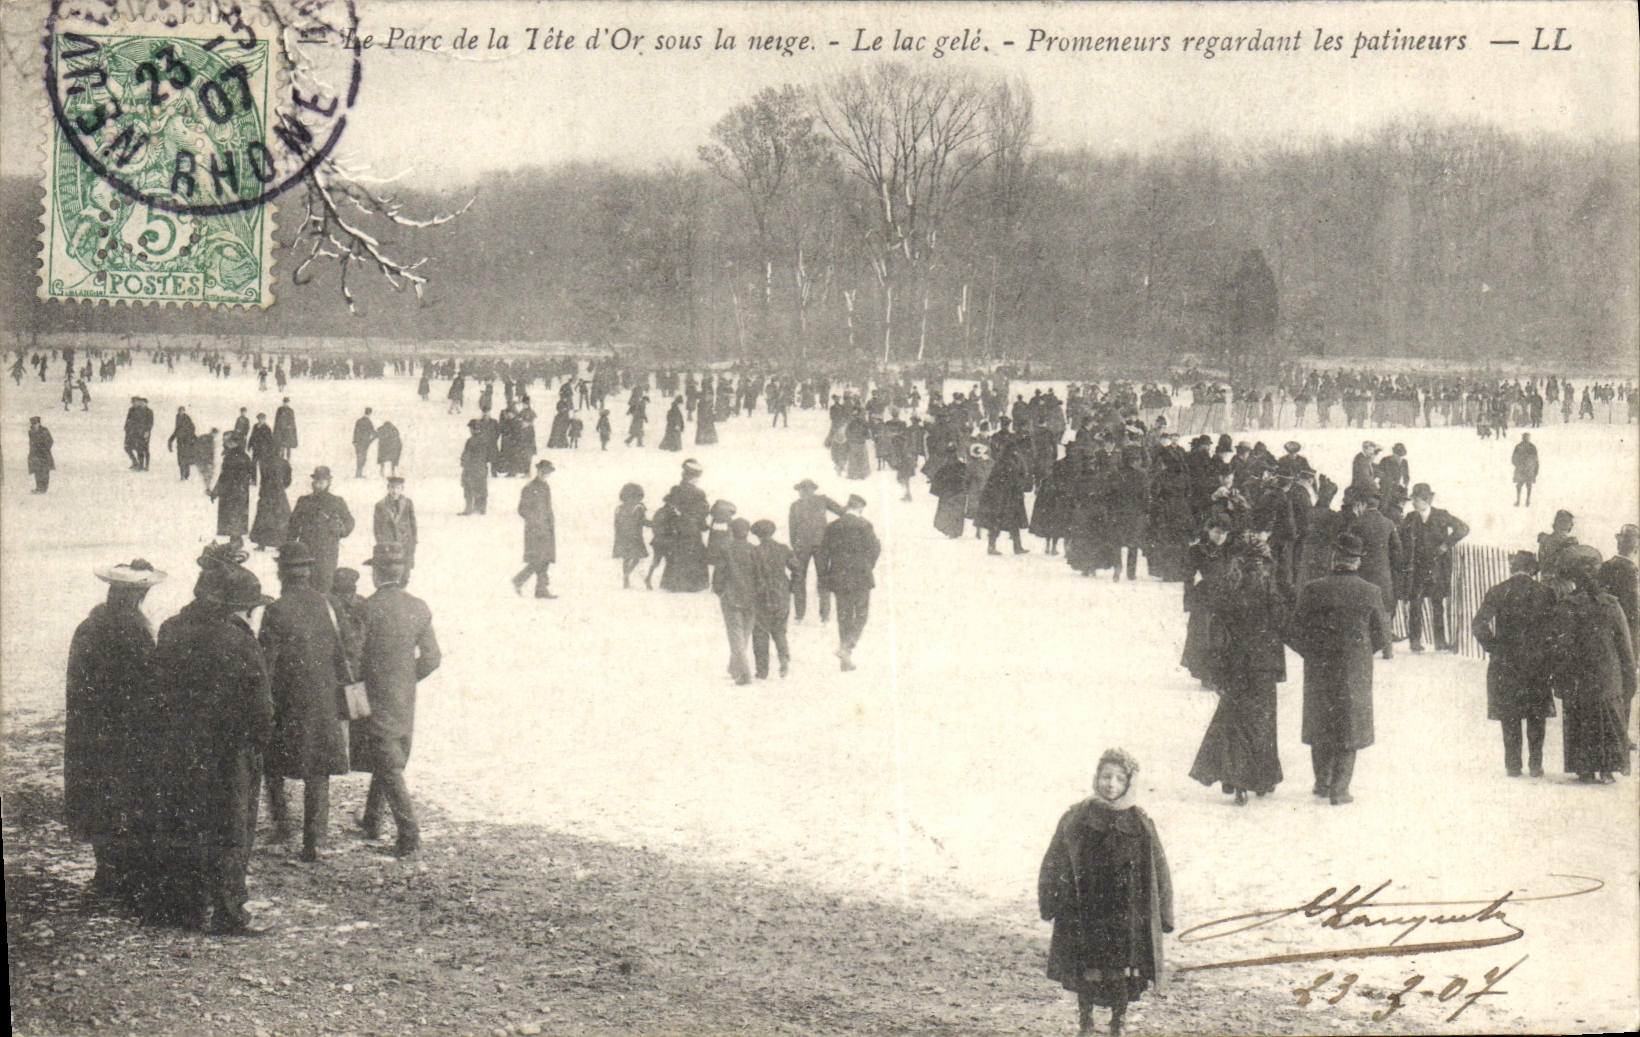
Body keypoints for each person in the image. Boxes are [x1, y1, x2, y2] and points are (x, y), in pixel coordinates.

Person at [145, 564, 274, 933]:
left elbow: (156, 690)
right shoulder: (239, 639)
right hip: (231, 752)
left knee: (184, 821)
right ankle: (229, 912)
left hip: (178, 747)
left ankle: (184, 907)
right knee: (232, 830)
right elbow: (261, 705)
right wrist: (257, 742)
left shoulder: (171, 629)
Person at [1038, 749, 1173, 1037]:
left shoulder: (1139, 822)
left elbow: (1158, 869)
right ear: (1096, 778)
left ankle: (1118, 1021)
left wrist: (1164, 915)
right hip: (1085, 909)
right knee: (1087, 967)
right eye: (1105, 776)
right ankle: (1085, 1021)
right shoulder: (1077, 817)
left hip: (1125, 913)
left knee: (1121, 973)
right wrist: (1050, 900)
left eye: (1119, 779)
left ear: (1129, 784)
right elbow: (1054, 859)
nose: (1110, 784)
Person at [66, 559, 165, 897]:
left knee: (99, 798)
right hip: (128, 732)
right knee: (129, 797)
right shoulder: (135, 632)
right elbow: (148, 684)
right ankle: (127, 874)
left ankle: (106, 871)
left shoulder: (88, 627)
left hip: (91, 731)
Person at [259, 543, 351, 862]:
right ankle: (314, 840)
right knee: (318, 768)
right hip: (322, 697)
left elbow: (267, 664)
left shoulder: (276, 610)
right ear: (308, 573)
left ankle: (282, 822)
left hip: (288, 700)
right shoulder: (326, 604)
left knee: (272, 762)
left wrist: (266, 701)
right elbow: (341, 653)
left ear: (282, 573)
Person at [351, 543, 441, 856]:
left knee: (387, 761)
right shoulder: (418, 607)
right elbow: (432, 658)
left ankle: (409, 834)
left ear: (375, 573)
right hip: (404, 696)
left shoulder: (365, 608)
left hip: (374, 694)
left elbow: (355, 654)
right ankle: (373, 818)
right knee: (388, 753)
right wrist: (405, 676)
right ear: (402, 573)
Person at [1288, 532, 1390, 805]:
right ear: (1357, 561)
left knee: (1321, 720)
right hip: (1354, 668)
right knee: (1349, 725)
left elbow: (1294, 630)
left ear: (1335, 557)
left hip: (1319, 666)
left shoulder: (1313, 589)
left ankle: (1322, 782)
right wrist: (1360, 653)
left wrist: (1312, 652)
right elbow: (1382, 636)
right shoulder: (1371, 591)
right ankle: (1340, 789)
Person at [1188, 539, 1291, 803]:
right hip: (1263, 666)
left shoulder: (1228, 586)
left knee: (1234, 718)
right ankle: (1261, 778)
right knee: (1262, 723)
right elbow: (1282, 623)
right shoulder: (1269, 588)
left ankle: (1234, 778)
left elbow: (1216, 626)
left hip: (1234, 663)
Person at [1546, 546, 1634, 783]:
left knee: (1581, 718)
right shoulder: (1611, 605)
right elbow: (1625, 647)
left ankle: (1585, 767)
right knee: (1607, 719)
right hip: (1608, 676)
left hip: (1580, 677)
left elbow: (1561, 648)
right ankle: (1607, 768)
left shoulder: (1567, 606)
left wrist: (1560, 677)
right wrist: (1630, 678)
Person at [1472, 551, 1557, 777]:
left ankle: (1513, 765)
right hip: (1537, 663)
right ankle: (1536, 764)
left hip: (1506, 662)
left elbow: (1478, 625)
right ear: (1533, 569)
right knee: (1536, 713)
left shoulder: (1499, 591)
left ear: (1513, 567)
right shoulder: (1546, 593)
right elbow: (1555, 630)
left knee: (1510, 713)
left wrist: (1494, 648)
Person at [1399, 483, 1469, 653]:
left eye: (1416, 500)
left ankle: (1440, 642)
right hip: (1417, 569)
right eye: (1413, 500)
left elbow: (1463, 528)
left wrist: (1447, 544)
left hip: (1438, 568)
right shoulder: (1410, 518)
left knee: (1438, 604)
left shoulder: (1441, 515)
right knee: (1415, 603)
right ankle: (1415, 642)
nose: (1413, 503)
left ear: (1425, 500)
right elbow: (1400, 537)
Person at [818, 493, 881, 672]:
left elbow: (823, 552)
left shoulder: (832, 526)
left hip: (838, 576)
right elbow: (875, 548)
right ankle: (847, 647)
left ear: (847, 506)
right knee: (861, 614)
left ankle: (845, 659)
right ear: (860, 508)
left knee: (843, 616)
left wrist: (824, 575)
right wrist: (869, 565)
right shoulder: (865, 525)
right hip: (861, 576)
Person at [286, 466, 356, 595]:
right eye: (316, 482)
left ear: (328, 483)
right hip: (306, 550)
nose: (318, 485)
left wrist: (341, 530)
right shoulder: (304, 501)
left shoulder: (337, 502)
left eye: (321, 482)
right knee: (305, 584)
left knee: (325, 585)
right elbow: (293, 525)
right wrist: (290, 546)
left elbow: (350, 521)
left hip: (327, 552)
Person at [1180, 518, 1232, 689]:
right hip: (1205, 596)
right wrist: (1189, 600)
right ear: (1209, 531)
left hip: (1226, 596)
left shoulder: (1230, 551)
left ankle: (1220, 673)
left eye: (1224, 533)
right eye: (1217, 532)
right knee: (1203, 635)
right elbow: (1188, 576)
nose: (1220, 536)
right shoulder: (1198, 550)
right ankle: (1206, 674)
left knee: (1222, 636)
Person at [711, 516, 758, 684]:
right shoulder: (754, 550)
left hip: (731, 596)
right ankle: (734, 666)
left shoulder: (726, 549)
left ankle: (744, 673)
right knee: (745, 633)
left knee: (736, 635)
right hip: (751, 597)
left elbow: (719, 575)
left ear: (731, 531)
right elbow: (760, 575)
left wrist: (719, 591)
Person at [788, 479, 844, 621]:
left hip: (809, 547)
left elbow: (792, 531)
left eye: (805, 490)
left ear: (811, 490)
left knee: (804, 579)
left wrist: (796, 546)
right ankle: (821, 615)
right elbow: (843, 512)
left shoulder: (798, 505)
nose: (803, 493)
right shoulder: (816, 501)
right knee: (818, 579)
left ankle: (803, 615)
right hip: (817, 546)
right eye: (802, 490)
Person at [749, 519, 796, 679]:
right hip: (782, 592)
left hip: (762, 594)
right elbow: (796, 567)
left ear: (757, 535)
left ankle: (762, 671)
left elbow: (752, 574)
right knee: (780, 629)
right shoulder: (783, 549)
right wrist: (792, 585)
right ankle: (783, 658)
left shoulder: (754, 551)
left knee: (760, 630)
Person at [660, 459, 711, 592]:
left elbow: (668, 508)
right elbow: (702, 511)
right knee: (694, 554)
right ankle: (693, 585)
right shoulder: (698, 493)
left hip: (677, 528)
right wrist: (702, 524)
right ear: (694, 477)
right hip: (692, 529)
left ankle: (674, 584)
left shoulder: (675, 490)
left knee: (677, 554)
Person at [513, 459, 557, 598]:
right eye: (543, 472)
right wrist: (534, 520)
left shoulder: (546, 487)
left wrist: (550, 523)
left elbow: (548, 507)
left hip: (546, 528)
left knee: (545, 560)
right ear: (538, 471)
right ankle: (519, 580)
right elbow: (522, 509)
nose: (545, 475)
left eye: (548, 473)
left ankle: (540, 589)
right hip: (534, 530)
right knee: (538, 560)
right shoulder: (529, 488)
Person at [210, 433, 255, 538]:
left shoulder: (231, 458)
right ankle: (236, 541)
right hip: (241, 493)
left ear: (233, 443)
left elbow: (224, 478)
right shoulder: (244, 456)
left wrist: (215, 492)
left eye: (226, 440)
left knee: (232, 523)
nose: (223, 443)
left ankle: (234, 544)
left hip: (231, 494)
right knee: (237, 523)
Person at [373, 476, 418, 577]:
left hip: (404, 543)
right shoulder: (380, 505)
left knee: (405, 573)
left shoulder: (408, 503)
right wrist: (381, 543)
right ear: (388, 488)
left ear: (402, 489)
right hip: (388, 545)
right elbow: (377, 528)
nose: (395, 491)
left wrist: (413, 541)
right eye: (392, 487)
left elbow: (413, 523)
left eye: (398, 488)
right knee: (390, 572)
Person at [249, 451, 292, 550]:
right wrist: (281, 486)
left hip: (266, 493)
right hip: (279, 494)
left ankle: (261, 544)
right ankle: (280, 543)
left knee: (264, 517)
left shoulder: (264, 462)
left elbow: (263, 479)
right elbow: (288, 481)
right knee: (281, 518)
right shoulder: (285, 463)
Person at [613, 482, 649, 589]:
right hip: (635, 537)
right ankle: (627, 576)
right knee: (636, 558)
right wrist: (655, 524)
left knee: (626, 558)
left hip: (622, 537)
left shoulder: (619, 508)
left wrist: (618, 536)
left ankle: (626, 580)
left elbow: (616, 524)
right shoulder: (639, 507)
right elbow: (643, 521)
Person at [459, 419, 491, 515]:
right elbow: (489, 456)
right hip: (482, 467)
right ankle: (481, 508)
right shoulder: (486, 439)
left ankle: (468, 508)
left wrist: (463, 462)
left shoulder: (471, 440)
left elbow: (466, 454)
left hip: (471, 468)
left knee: (468, 487)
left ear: (472, 429)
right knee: (481, 487)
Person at [1537, 509, 1578, 578]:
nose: (1572, 524)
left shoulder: (1572, 542)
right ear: (1558, 522)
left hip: (1567, 581)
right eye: (1566, 521)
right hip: (1551, 580)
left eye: (1571, 522)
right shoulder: (1546, 540)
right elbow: (1545, 561)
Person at [124, 396, 154, 470]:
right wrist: (126, 428)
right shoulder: (132, 410)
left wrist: (147, 431)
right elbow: (128, 420)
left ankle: (144, 465)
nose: (134, 403)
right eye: (133, 402)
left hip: (143, 432)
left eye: (135, 402)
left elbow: (149, 422)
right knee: (129, 447)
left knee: (144, 448)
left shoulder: (147, 411)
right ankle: (137, 463)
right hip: (133, 432)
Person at [167, 406, 197, 480]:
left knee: (186, 459)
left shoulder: (187, 418)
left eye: (182, 411)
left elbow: (192, 428)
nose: (180, 412)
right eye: (179, 411)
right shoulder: (177, 418)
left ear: (184, 411)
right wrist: (170, 440)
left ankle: (186, 475)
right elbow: (176, 430)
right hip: (180, 442)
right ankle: (182, 475)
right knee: (180, 460)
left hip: (186, 442)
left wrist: (191, 438)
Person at [27, 416, 54, 493]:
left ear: (39, 423)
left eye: (36, 423)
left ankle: (44, 488)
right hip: (35, 455)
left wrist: (45, 449)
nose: (34, 425)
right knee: (37, 471)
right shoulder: (31, 432)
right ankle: (38, 487)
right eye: (33, 424)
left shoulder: (44, 431)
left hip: (44, 455)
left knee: (44, 471)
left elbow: (50, 441)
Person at [1511, 432, 1539, 506]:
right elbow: (1514, 458)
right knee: (1526, 486)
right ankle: (1523, 500)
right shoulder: (1531, 447)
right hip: (1527, 470)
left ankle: (1522, 500)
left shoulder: (1520, 446)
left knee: (1521, 485)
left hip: (1523, 470)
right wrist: (1535, 471)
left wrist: (1518, 465)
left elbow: (1513, 459)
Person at [352, 407, 376, 478]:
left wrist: (354, 441)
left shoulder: (359, 421)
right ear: (370, 413)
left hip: (358, 443)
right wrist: (376, 435)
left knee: (359, 457)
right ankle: (359, 474)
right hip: (364, 443)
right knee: (363, 458)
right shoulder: (368, 422)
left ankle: (358, 473)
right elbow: (372, 431)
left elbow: (355, 431)